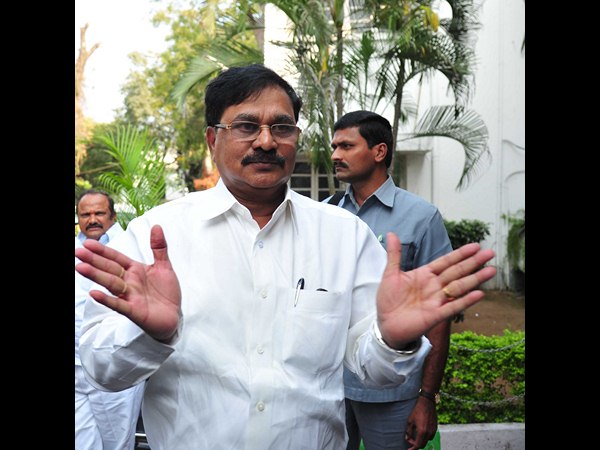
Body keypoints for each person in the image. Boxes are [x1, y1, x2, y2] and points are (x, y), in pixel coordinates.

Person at [75, 64, 496, 450]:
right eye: (246, 126)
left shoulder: (345, 236)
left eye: (282, 127)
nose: (266, 141)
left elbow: (375, 371)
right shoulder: (155, 236)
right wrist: (152, 336)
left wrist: (392, 339)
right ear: (212, 139)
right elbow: (102, 371)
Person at [326, 111, 454, 450]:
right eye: (334, 146)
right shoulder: (326, 214)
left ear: (379, 151)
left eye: (346, 146)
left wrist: (427, 397)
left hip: (393, 392)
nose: (335, 155)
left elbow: (438, 314)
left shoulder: (421, 217)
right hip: (329, 387)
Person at [75, 189, 144, 450]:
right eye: (86, 214)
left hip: (114, 363)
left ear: (112, 216)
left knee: (117, 441)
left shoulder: (129, 247)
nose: (92, 219)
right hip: (76, 368)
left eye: (99, 213)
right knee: (81, 441)